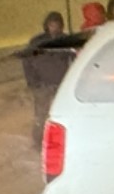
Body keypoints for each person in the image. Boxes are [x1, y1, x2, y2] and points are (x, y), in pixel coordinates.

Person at [19, 11, 74, 149]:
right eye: (52, 25)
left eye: (57, 25)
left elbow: (73, 60)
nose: (55, 28)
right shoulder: (37, 42)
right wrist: (32, 81)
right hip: (42, 85)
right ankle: (39, 142)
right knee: (41, 115)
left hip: (60, 85)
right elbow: (27, 61)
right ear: (47, 25)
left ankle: (60, 142)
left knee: (60, 115)